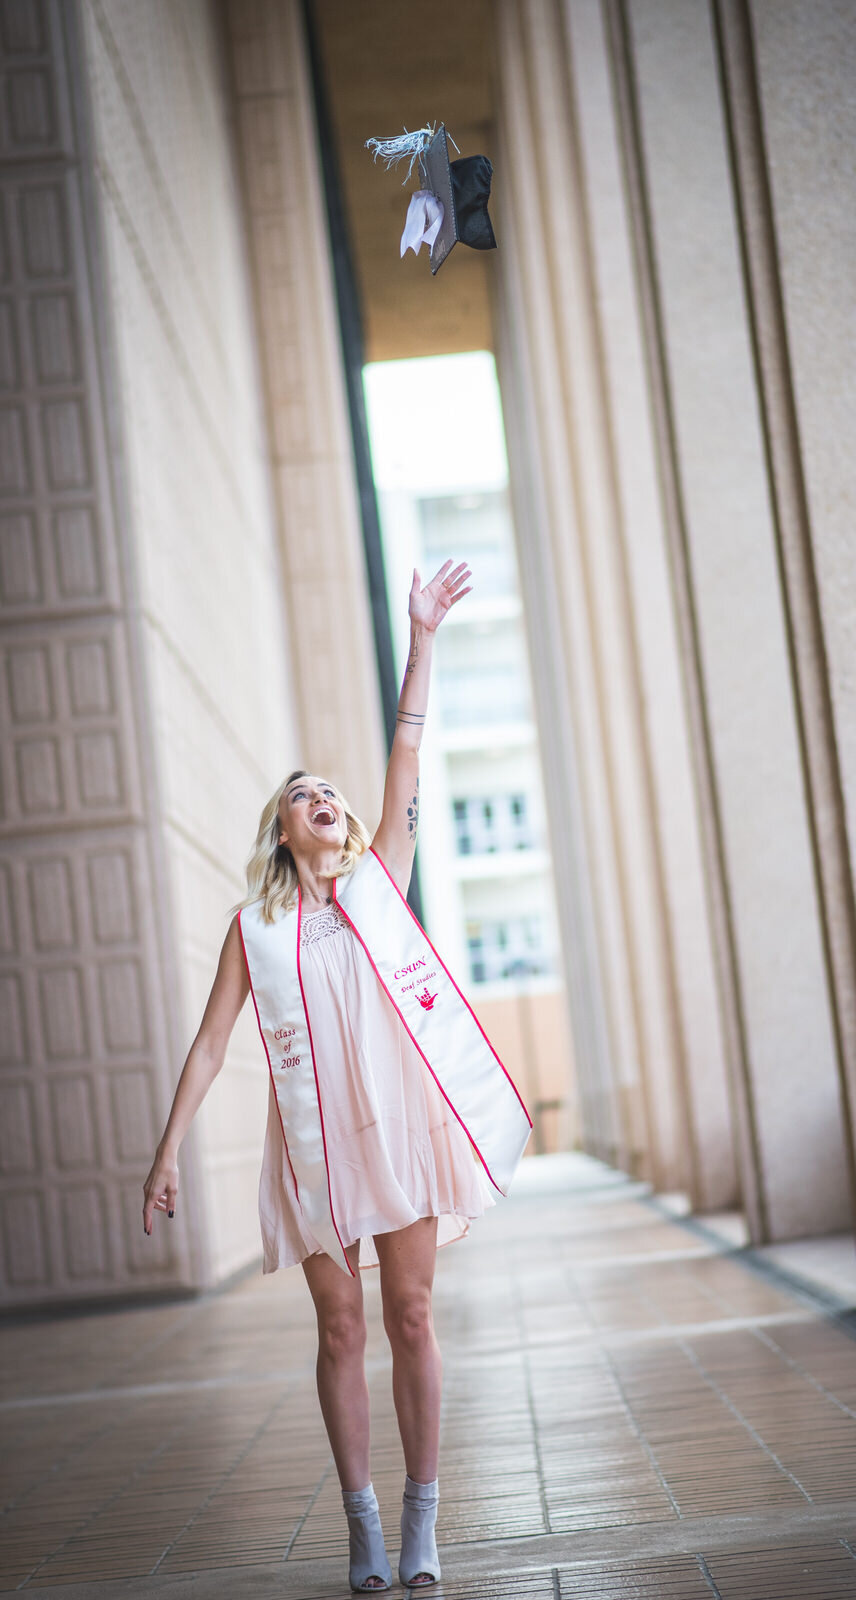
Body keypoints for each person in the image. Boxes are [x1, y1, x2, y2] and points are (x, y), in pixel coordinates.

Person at [143, 562, 529, 1592]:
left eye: (330, 793)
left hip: (395, 1128)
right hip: (311, 1146)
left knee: (408, 1316)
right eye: (301, 796)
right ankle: (360, 1520)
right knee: (340, 1324)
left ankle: (420, 1519)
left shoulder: (378, 882)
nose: (321, 799)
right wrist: (167, 1151)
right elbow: (213, 1042)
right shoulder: (254, 926)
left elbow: (405, 755)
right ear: (282, 829)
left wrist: (423, 635)